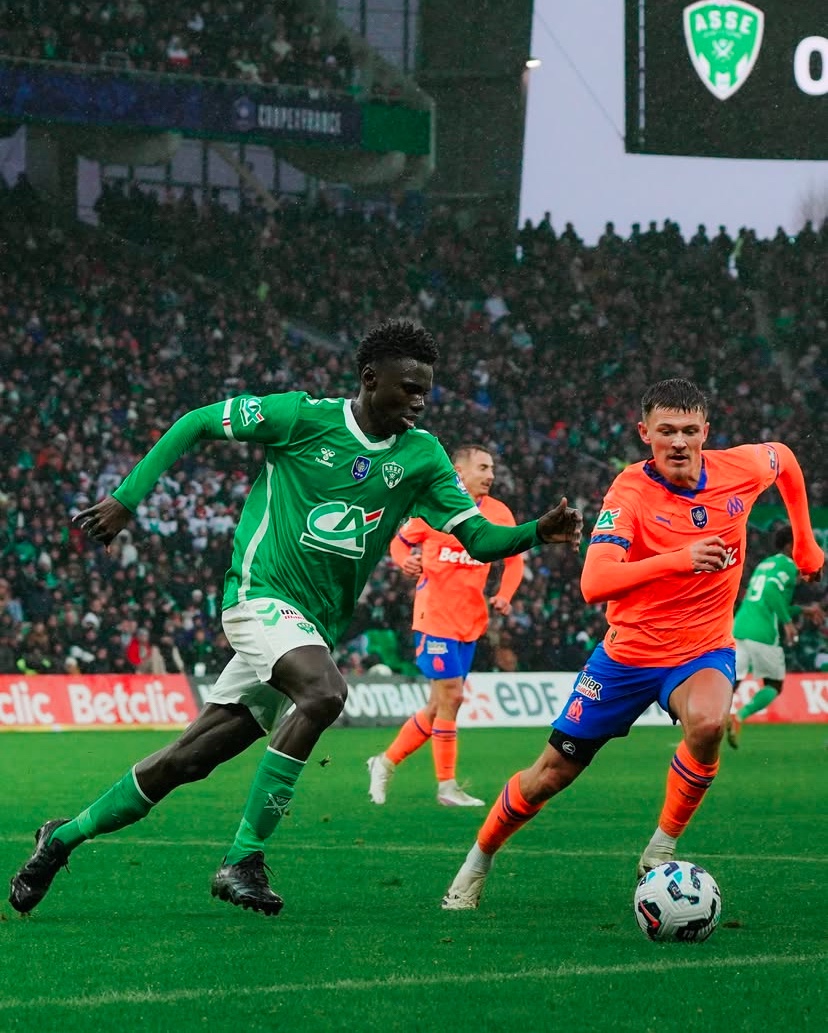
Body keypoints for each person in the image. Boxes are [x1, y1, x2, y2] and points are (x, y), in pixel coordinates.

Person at [9, 319, 582, 918]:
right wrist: (128, 499)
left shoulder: (422, 455)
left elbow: (480, 538)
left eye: (425, 390)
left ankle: (62, 837)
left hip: (311, 627)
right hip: (259, 597)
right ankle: (243, 858)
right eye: (408, 388)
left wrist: (534, 534)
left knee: (187, 759)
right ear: (369, 380)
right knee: (326, 692)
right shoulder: (301, 418)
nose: (420, 400)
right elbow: (198, 421)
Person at [441, 378, 824, 910]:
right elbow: (594, 583)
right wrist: (680, 558)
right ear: (645, 433)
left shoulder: (739, 468)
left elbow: (784, 459)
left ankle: (660, 849)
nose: (679, 442)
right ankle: (478, 858)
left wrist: (804, 543)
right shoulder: (629, 491)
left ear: (706, 432)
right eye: (666, 430)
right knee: (550, 774)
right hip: (628, 655)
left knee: (710, 723)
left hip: (703, 648)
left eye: (690, 430)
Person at [367, 444, 525, 808]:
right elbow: (399, 542)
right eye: (483, 467)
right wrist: (405, 561)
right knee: (452, 697)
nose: (491, 475)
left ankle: (385, 762)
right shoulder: (434, 507)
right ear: (460, 471)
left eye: (492, 468)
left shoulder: (499, 513)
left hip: (470, 622)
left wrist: (504, 594)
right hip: (433, 617)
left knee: (437, 707)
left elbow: (513, 560)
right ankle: (446, 786)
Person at [727, 525, 824, 748]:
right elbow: (771, 592)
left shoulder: (766, 564)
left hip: (740, 626)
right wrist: (788, 624)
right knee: (774, 684)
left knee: (733, 681)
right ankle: (740, 716)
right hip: (763, 633)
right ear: (791, 545)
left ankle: (710, 717)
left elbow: (772, 601)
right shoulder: (788, 566)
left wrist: (804, 610)